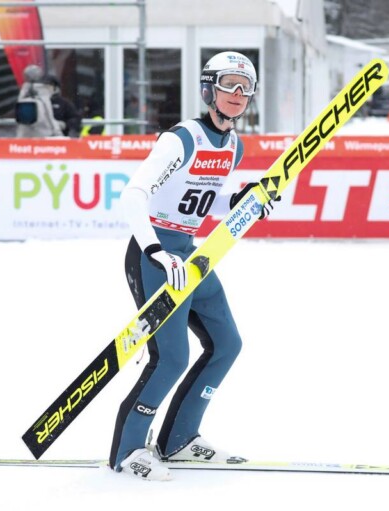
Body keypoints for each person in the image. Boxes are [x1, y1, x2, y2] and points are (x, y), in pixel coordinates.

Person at [110, 51, 278, 481]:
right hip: (157, 254)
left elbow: (204, 197)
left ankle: (179, 440)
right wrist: (155, 252)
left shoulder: (233, 146)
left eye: (245, 87)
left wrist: (239, 201)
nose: (237, 94)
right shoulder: (181, 138)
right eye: (228, 84)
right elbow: (134, 196)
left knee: (227, 344)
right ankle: (128, 451)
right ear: (209, 89)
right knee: (170, 358)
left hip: (191, 253)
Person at [14, 64, 64, 138]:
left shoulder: (23, 92)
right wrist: (57, 131)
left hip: (24, 136)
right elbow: (48, 114)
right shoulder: (42, 93)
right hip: (43, 135)